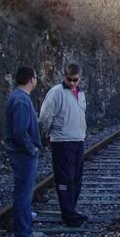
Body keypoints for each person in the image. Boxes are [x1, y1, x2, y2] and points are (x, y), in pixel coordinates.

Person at [39, 62, 88, 227]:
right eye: (69, 79)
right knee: (65, 179)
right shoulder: (56, 92)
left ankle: (72, 210)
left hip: (78, 139)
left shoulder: (81, 94)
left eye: (75, 80)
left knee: (76, 178)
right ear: (64, 76)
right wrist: (51, 132)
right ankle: (67, 214)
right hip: (62, 142)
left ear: (80, 78)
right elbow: (45, 116)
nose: (72, 83)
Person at [4, 66, 43, 237]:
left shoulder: (19, 97)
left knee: (26, 193)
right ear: (31, 80)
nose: (36, 80)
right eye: (36, 77)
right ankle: (22, 235)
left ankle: (26, 230)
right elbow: (20, 132)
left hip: (22, 153)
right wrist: (31, 149)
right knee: (23, 194)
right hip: (22, 154)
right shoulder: (21, 100)